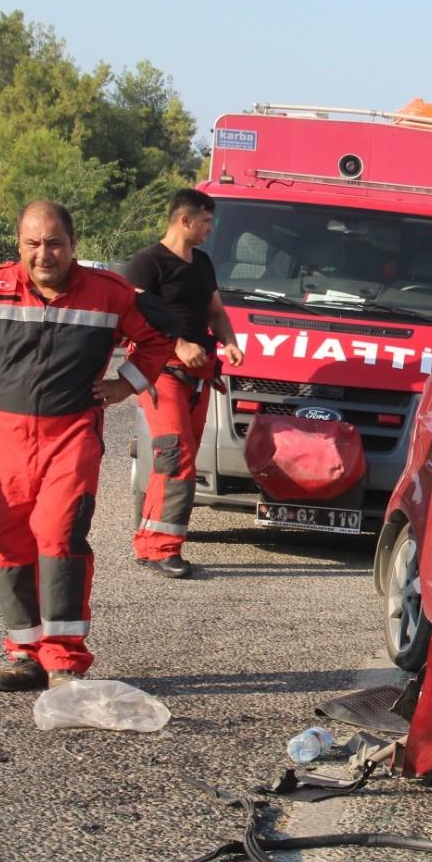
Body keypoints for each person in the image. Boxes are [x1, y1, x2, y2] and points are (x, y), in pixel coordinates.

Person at [0, 201, 178, 690]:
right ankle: (25, 654)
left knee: (59, 537)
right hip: (2, 439)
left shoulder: (109, 293)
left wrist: (127, 383)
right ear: (18, 246)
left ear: (74, 245)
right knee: (10, 544)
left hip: (72, 434)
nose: (44, 255)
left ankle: (63, 661)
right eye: (33, 244)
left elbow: (159, 340)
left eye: (54, 243)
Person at [124, 188, 244, 579]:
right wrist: (179, 344)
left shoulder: (203, 263)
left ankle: (148, 543)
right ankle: (164, 549)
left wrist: (229, 341)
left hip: (200, 377)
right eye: (206, 221)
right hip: (164, 373)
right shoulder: (146, 263)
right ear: (185, 220)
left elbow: (216, 311)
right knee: (177, 458)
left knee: (174, 459)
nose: (211, 229)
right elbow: (138, 319)